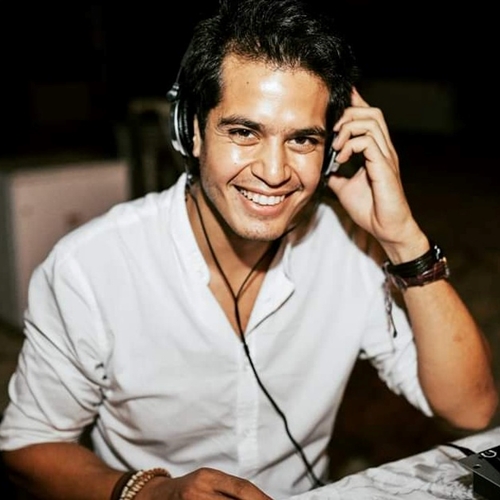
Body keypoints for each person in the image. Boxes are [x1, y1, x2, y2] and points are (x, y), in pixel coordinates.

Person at [0, 0, 497, 499]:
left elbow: (472, 410)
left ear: (331, 154)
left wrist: (402, 236)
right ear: (191, 131)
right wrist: (153, 494)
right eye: (244, 132)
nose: (274, 172)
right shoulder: (89, 267)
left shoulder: (348, 249)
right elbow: (28, 446)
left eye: (302, 140)